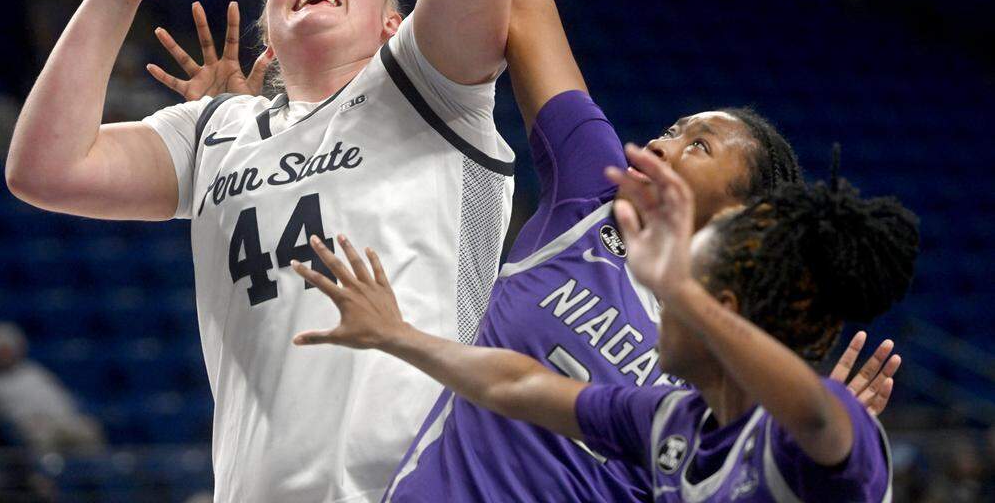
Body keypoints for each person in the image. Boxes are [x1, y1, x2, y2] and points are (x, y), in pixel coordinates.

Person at [151, 0, 902, 501]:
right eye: (676, 128)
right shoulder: (598, 201)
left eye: (698, 145)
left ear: (739, 216)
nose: (665, 144)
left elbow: (805, 432)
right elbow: (525, 3)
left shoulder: (715, 367)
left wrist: (825, 440)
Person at [5, 0, 516, 501]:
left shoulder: (429, 90)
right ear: (267, 39)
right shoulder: (217, 130)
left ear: (392, 21)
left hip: (421, 480)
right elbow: (43, 170)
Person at [291, 142, 920, 502]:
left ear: (715, 315)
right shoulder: (668, 423)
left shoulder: (807, 439)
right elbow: (520, 386)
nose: (656, 305)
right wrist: (397, 335)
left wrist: (676, 282)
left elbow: (815, 413)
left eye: (671, 296)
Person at [0, 322, 102, 452]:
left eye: (8, 350)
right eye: (0, 351)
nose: (5, 355)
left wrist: (67, 417)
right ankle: (42, 472)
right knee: (41, 439)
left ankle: (94, 471)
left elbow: (60, 397)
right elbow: (0, 415)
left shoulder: (34, 371)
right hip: (30, 427)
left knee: (89, 429)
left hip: (61, 420)